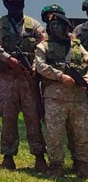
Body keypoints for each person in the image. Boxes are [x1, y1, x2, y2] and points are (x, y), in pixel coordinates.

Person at [0, 0, 47, 172]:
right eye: (11, 3)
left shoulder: (33, 25)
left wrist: (35, 66)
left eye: (18, 2)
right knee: (8, 117)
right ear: (5, 4)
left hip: (28, 79)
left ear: (23, 3)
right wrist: (8, 59)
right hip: (7, 78)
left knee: (33, 116)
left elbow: (43, 46)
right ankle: (8, 156)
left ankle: (39, 157)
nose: (15, 6)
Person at [35, 12, 88, 178]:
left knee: (81, 132)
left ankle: (82, 164)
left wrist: (86, 78)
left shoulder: (77, 46)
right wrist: (60, 76)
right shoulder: (44, 46)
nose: (55, 27)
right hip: (55, 98)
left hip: (78, 97)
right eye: (52, 25)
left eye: (58, 24)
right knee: (54, 133)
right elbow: (40, 66)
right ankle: (56, 165)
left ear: (66, 27)